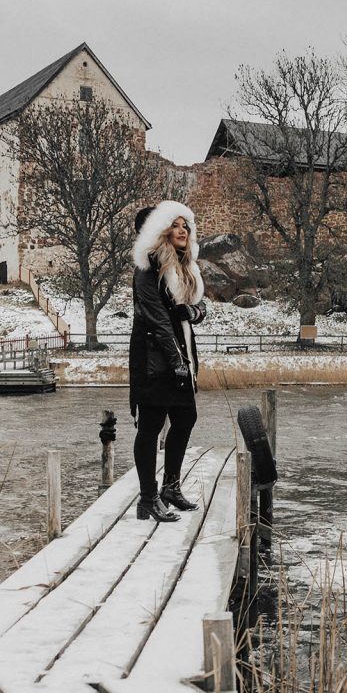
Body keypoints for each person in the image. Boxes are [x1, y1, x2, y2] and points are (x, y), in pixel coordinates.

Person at [129, 200, 207, 522]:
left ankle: (170, 487)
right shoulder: (147, 269)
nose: (182, 230)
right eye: (175, 225)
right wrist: (177, 362)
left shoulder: (185, 268)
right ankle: (147, 498)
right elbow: (159, 322)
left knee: (185, 418)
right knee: (150, 427)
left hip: (180, 357)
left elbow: (200, 307)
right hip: (153, 360)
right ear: (161, 231)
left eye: (185, 225)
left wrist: (193, 312)